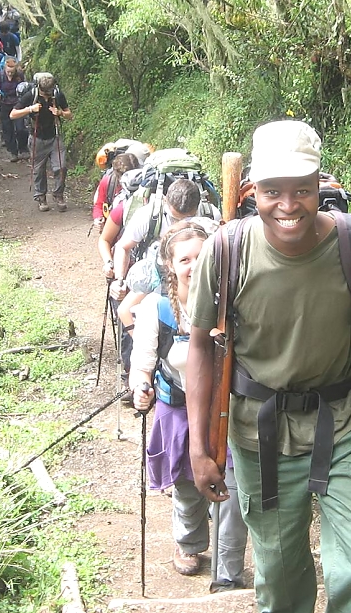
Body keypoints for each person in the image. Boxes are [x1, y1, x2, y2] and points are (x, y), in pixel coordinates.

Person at [185, 119, 351, 613]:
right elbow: (200, 345)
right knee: (280, 576)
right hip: (259, 433)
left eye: (301, 190)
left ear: (318, 185)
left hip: (347, 423)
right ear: (253, 190)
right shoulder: (226, 252)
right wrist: (199, 447)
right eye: (273, 191)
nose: (288, 205)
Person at [130, 219, 248, 588]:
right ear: (170, 265)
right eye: (185, 259)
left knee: (233, 490)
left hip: (226, 410)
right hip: (177, 409)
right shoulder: (156, 308)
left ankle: (228, 568)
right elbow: (142, 361)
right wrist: (141, 387)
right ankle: (189, 544)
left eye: (201, 257)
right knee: (186, 485)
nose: (194, 266)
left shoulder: (230, 305)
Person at [112, 178, 208, 290]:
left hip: (197, 282)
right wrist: (119, 280)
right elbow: (123, 247)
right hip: (153, 282)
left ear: (198, 207)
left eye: (188, 219)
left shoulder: (209, 216)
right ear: (165, 200)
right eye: (174, 218)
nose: (180, 224)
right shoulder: (147, 215)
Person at [11, 73, 71, 212]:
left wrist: (60, 113)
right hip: (37, 138)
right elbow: (13, 114)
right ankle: (41, 197)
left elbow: (69, 114)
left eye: (49, 93)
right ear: (39, 88)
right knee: (39, 170)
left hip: (55, 137)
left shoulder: (57, 94)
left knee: (61, 167)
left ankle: (58, 195)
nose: (47, 96)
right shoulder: (31, 95)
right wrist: (30, 109)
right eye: (44, 93)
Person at [93, 152, 142, 233]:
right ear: (116, 174)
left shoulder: (145, 183)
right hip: (112, 229)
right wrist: (98, 218)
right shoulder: (107, 182)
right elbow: (99, 204)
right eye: (124, 175)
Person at [0, 57, 29, 162]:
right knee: (7, 129)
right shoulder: (0, 75)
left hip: (18, 104)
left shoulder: (19, 75)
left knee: (21, 128)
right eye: (8, 72)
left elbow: (24, 88)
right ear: (4, 68)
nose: (10, 74)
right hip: (4, 104)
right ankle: (13, 152)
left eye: (12, 72)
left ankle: (23, 148)